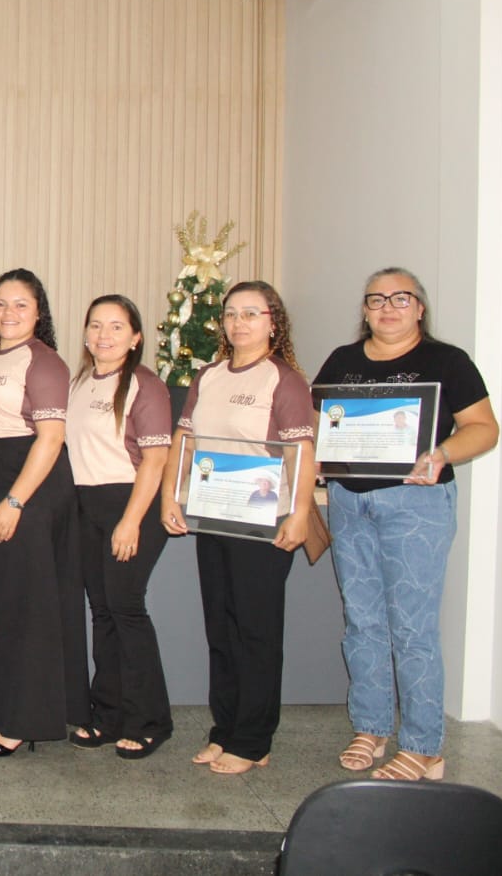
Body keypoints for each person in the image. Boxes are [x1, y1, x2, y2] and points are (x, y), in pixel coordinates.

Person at [316, 268, 498, 782]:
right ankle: (371, 727)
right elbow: (321, 425)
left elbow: (484, 428)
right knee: (362, 619)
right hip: (350, 502)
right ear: (365, 309)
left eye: (401, 298)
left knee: (413, 626)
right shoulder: (342, 360)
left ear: (419, 308)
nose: (388, 307)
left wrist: (441, 454)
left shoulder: (447, 361)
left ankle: (424, 746)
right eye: (376, 299)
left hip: (416, 503)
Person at [161, 280, 316, 775]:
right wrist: (171, 495)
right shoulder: (209, 376)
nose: (238, 322)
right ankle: (224, 730)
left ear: (273, 322)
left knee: (255, 632)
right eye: (230, 313)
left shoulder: (283, 380)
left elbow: (302, 452)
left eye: (251, 313)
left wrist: (299, 513)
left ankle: (252, 740)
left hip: (263, 523)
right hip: (214, 516)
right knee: (221, 628)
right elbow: (183, 441)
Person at [0, 268, 87, 757]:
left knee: (29, 606)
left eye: (20, 304)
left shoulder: (45, 362)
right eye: (0, 303)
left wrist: (15, 501)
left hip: (31, 484)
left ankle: (22, 722)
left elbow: (51, 438)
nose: (8, 313)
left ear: (39, 313)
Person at [64, 295, 174, 758]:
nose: (103, 335)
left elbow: (155, 460)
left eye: (115, 327)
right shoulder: (80, 382)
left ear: (135, 338)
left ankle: (150, 720)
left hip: (131, 504)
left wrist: (130, 521)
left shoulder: (146, 385)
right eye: (96, 325)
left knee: (126, 609)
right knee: (102, 611)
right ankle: (107, 715)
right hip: (87, 505)